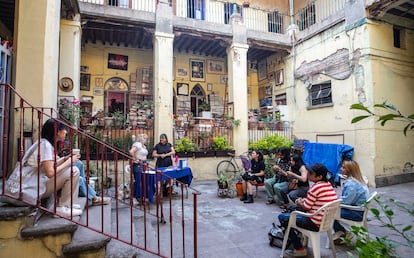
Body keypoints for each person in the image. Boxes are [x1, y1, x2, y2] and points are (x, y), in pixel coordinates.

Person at [278, 163, 338, 257]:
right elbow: (314, 201)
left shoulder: (315, 187)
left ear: (319, 176)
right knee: (292, 208)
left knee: (283, 218)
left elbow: (306, 207)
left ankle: (299, 248)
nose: (308, 175)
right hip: (325, 220)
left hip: (314, 222)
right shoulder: (328, 185)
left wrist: (299, 202)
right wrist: (303, 201)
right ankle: (299, 237)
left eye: (310, 173)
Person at [27, 119, 82, 217]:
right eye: (63, 129)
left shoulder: (43, 143)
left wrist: (65, 159)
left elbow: (51, 165)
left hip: (35, 182)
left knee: (73, 168)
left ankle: (68, 205)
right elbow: (50, 173)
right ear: (57, 132)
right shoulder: (46, 146)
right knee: (74, 171)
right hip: (35, 187)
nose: (65, 132)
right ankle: (61, 208)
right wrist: (68, 162)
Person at [333, 159, 369, 244]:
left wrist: (335, 201)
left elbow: (346, 202)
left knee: (331, 211)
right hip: (360, 209)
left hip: (356, 212)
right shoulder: (359, 180)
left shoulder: (351, 184)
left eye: (343, 168)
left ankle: (342, 232)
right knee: (334, 209)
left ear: (349, 170)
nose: (341, 169)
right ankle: (341, 232)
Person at [129, 134, 149, 201]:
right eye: (145, 138)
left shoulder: (144, 147)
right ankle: (135, 196)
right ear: (141, 138)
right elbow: (131, 151)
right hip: (138, 164)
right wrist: (135, 159)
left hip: (143, 163)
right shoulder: (138, 144)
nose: (146, 140)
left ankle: (141, 195)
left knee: (143, 180)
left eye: (146, 138)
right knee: (138, 180)